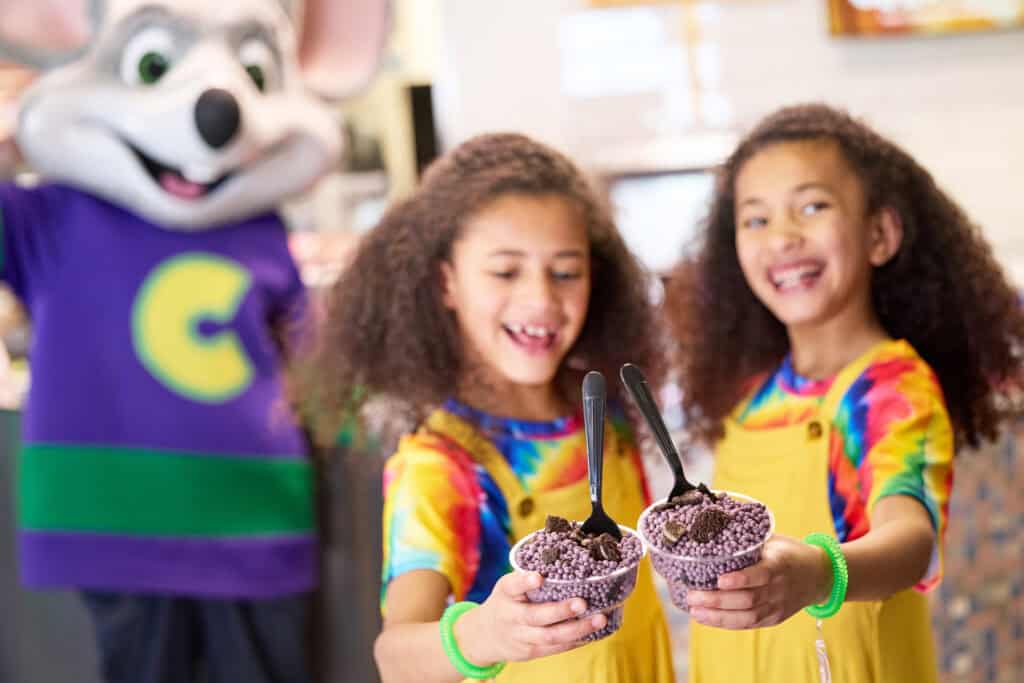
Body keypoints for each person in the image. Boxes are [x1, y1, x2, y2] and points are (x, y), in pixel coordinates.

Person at [662, 102, 1024, 682]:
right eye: (756, 219)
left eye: (812, 206)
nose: (783, 237)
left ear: (879, 234)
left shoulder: (887, 387)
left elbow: (910, 540)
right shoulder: (756, 392)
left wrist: (816, 573)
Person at [299, 132, 675, 682]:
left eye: (565, 272)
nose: (541, 298)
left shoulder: (604, 411)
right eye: (505, 271)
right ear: (447, 283)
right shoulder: (440, 463)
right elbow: (395, 658)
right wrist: (486, 634)